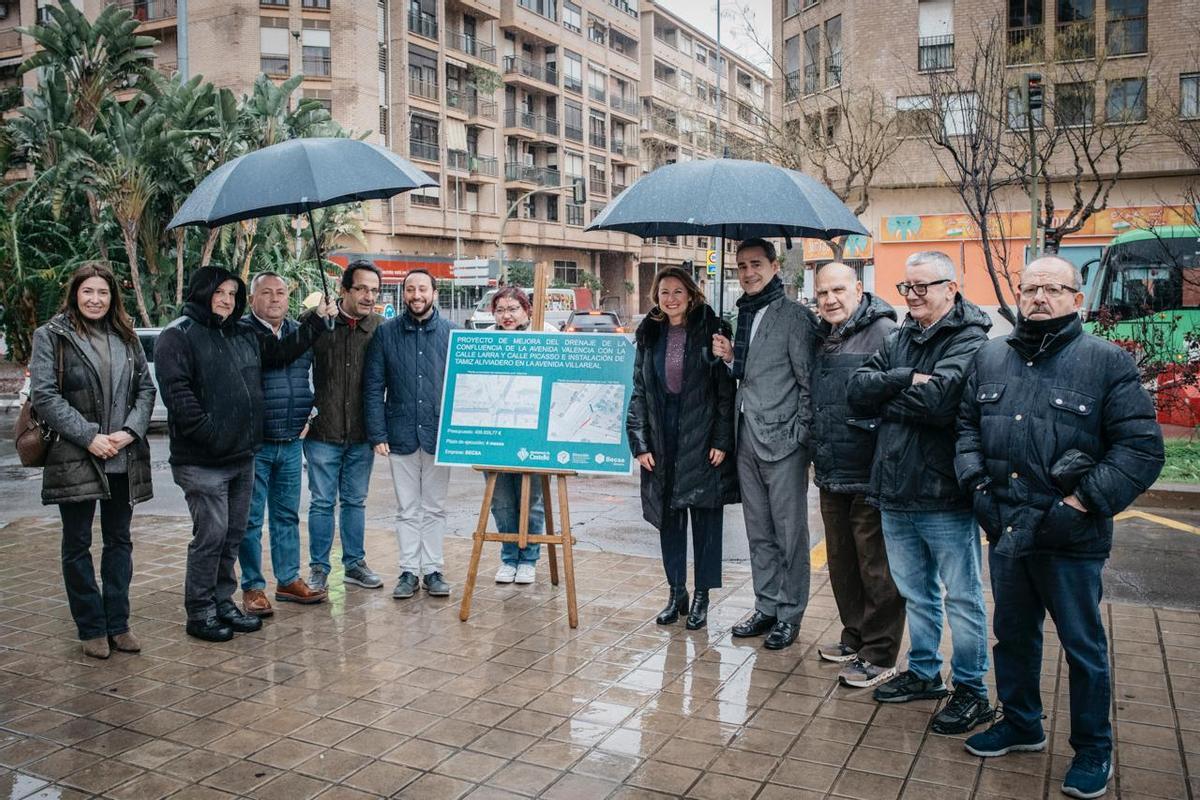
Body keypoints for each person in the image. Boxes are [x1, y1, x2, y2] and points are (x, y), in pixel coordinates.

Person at [957, 256, 1164, 799]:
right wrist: (978, 488)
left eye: (1053, 288)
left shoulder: (1107, 362)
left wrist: (1078, 504)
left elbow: (1140, 450)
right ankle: (1021, 723)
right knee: (1013, 637)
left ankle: (1093, 748)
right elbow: (966, 429)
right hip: (1007, 528)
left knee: (1082, 647)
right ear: (1018, 296)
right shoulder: (990, 356)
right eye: (1030, 289)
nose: (1040, 298)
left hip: (1071, 538)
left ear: (1077, 298)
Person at [847, 250, 993, 735]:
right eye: (906, 287)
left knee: (963, 597)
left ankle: (971, 688)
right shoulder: (901, 336)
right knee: (916, 593)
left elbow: (940, 402)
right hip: (894, 488)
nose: (912, 295)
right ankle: (925, 672)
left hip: (943, 491)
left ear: (951, 288)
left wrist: (886, 398)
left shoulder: (970, 338)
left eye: (922, 286)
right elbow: (856, 389)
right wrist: (905, 378)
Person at [157, 265, 334, 642]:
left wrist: (318, 321)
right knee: (211, 536)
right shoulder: (178, 335)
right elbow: (179, 397)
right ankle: (200, 611)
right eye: (219, 292)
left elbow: (283, 352)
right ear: (201, 292)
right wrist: (215, 437)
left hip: (241, 457)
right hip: (203, 460)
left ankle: (223, 602)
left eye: (231, 294)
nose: (226, 300)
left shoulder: (241, 332)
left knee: (232, 535)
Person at [30, 262, 157, 659]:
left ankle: (118, 623)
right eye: (88, 291)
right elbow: (45, 396)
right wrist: (89, 437)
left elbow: (146, 389)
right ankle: (91, 626)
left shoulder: (126, 335)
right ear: (75, 294)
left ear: (112, 297)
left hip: (122, 455)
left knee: (119, 541)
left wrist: (129, 432)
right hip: (75, 455)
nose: (96, 299)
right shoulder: (51, 336)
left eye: (103, 292)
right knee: (78, 544)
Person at [711, 238, 815, 650]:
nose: (748, 273)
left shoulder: (795, 317)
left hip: (784, 442)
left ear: (775, 267)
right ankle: (766, 605)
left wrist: (799, 437)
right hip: (747, 439)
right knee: (758, 531)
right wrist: (729, 360)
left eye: (755, 264)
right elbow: (751, 374)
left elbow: (808, 384)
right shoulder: (744, 314)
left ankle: (790, 614)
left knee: (790, 534)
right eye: (741, 266)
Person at [810, 262, 906, 688]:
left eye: (838, 290)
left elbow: (895, 396)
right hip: (831, 468)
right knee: (842, 562)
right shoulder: (824, 335)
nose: (830, 299)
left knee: (876, 567)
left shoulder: (885, 332)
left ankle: (880, 652)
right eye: (822, 293)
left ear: (858, 290)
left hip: (869, 469)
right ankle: (855, 635)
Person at [627, 267, 738, 628]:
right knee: (669, 519)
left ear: (691, 294)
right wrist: (640, 443)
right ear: (656, 297)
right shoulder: (649, 333)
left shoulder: (712, 329)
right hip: (663, 435)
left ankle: (703, 594)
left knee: (705, 519)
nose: (671, 298)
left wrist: (721, 439)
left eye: (678, 291)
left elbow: (725, 393)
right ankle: (677, 592)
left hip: (702, 435)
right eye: (664, 292)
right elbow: (639, 391)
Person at [238, 272, 326, 617]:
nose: (275, 299)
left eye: (281, 292)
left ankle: (288, 579)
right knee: (249, 519)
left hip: (291, 441)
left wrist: (310, 415)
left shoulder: (299, 331)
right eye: (266, 293)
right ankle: (252, 586)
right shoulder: (243, 332)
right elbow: (273, 358)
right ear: (252, 299)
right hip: (255, 444)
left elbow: (316, 378)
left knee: (287, 515)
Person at [363, 269, 456, 600]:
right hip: (399, 432)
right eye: (411, 289)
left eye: (423, 289)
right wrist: (377, 433)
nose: (417, 295)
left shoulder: (452, 333)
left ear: (434, 292)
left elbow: (464, 385)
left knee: (434, 507)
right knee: (406, 508)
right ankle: (407, 571)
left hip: (438, 434)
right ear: (404, 294)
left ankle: (432, 570)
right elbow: (373, 387)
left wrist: (459, 433)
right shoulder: (386, 333)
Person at [304, 260, 385, 593]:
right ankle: (319, 568)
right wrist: (303, 415)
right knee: (322, 502)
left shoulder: (380, 327)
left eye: (375, 290)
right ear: (344, 289)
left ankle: (354, 564)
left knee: (355, 501)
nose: (369, 296)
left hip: (362, 434)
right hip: (322, 431)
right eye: (361, 288)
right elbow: (295, 369)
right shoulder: (315, 320)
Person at [485, 287, 555, 584]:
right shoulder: (485, 339)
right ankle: (509, 557)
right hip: (495, 433)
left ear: (527, 310)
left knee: (532, 500)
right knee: (501, 501)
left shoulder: (546, 334)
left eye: (513, 309)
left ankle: (529, 559)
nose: (507, 315)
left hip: (533, 435)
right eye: (500, 310)